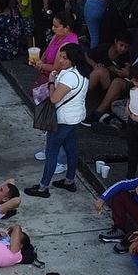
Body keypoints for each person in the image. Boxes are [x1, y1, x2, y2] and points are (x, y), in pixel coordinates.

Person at [27, 43, 91, 198]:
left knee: (51, 153)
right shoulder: (82, 73)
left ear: (73, 60)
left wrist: (50, 82)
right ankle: (69, 181)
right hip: (75, 117)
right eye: (60, 56)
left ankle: (43, 187)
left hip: (62, 119)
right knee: (71, 148)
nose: (61, 61)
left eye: (65, 58)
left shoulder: (69, 76)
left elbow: (55, 98)